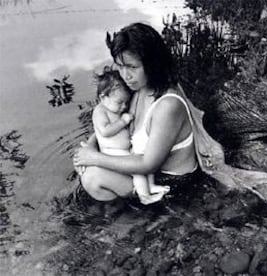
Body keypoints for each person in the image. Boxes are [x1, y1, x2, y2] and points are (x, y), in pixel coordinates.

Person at [73, 22, 198, 204]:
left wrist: (95, 158)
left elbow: (149, 163)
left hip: (173, 185)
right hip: (145, 174)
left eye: (132, 67)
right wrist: (89, 148)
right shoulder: (137, 88)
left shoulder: (168, 105)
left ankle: (127, 219)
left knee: (93, 177)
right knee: (87, 168)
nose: (125, 75)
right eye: (120, 66)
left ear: (152, 63)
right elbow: (112, 123)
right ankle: (119, 215)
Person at [86, 67, 170, 205]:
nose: (123, 106)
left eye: (126, 102)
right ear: (103, 97)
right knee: (137, 171)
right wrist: (122, 121)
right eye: (119, 102)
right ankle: (145, 197)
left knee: (145, 163)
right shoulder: (99, 111)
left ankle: (151, 186)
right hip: (112, 152)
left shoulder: (114, 108)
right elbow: (105, 131)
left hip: (125, 151)